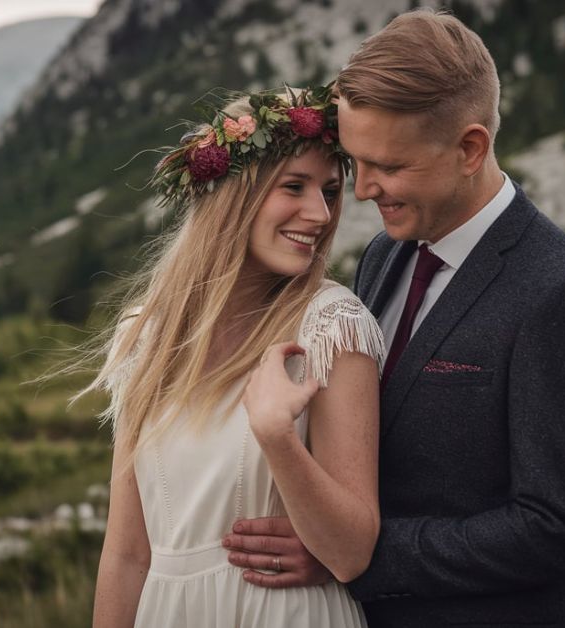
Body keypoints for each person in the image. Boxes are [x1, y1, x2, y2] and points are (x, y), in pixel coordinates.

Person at [223, 10, 565, 627]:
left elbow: (559, 531)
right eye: (356, 163)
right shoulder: (386, 256)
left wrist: (358, 558)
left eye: (388, 167)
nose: (363, 191)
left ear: (471, 148)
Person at [79, 85, 386, 628]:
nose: (319, 214)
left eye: (331, 191)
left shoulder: (332, 325)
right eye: (294, 186)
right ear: (234, 194)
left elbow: (351, 552)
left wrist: (277, 436)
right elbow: (127, 555)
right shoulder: (146, 335)